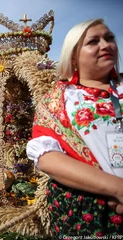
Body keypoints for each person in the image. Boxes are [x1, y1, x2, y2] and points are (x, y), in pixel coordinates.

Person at [26, 19, 123, 237]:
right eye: (93, 42)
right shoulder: (58, 100)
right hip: (90, 214)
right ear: (73, 56)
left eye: (109, 38)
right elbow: (47, 157)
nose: (105, 45)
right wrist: (117, 189)